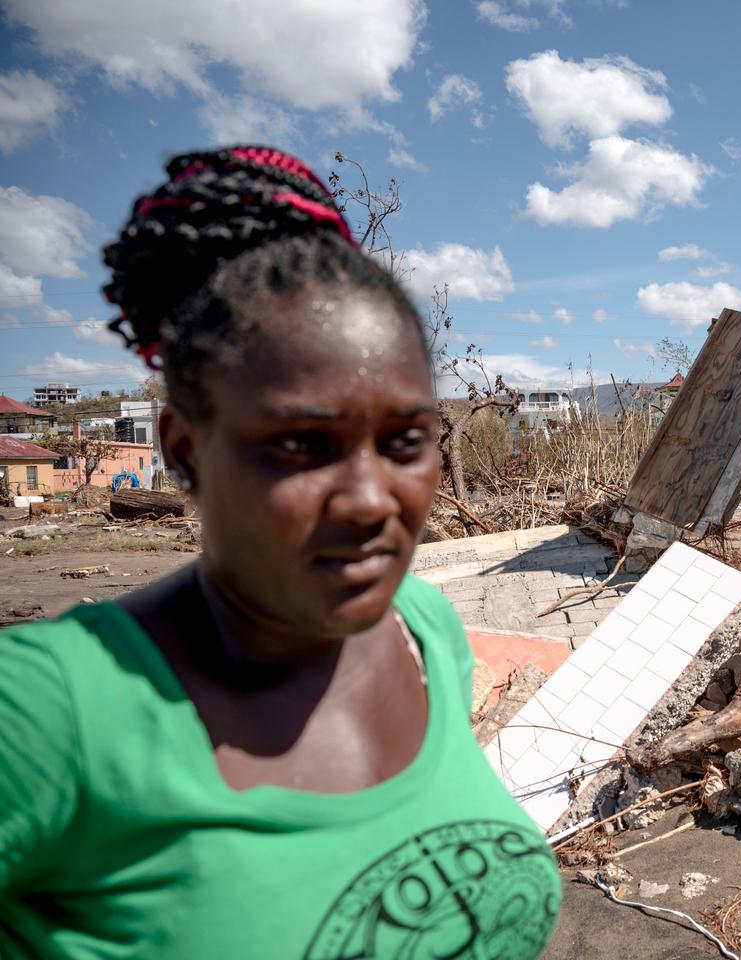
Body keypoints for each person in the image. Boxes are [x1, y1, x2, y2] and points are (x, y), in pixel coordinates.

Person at [0, 147, 560, 958]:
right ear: (184, 449)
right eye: (301, 443)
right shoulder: (48, 713)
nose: (370, 499)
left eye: (406, 440)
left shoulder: (425, 633)